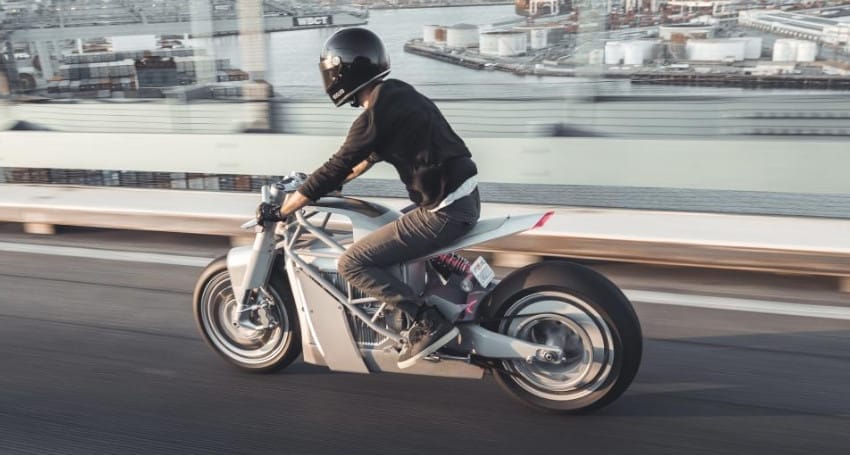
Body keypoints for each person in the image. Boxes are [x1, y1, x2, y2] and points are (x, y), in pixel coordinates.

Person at [256, 27, 480, 368]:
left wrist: (284, 210)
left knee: (352, 263)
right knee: (390, 222)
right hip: (461, 198)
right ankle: (444, 285)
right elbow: (360, 161)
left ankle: (426, 320)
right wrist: (329, 185)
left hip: (444, 211)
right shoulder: (396, 94)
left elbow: (338, 164)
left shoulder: (372, 118)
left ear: (340, 72)